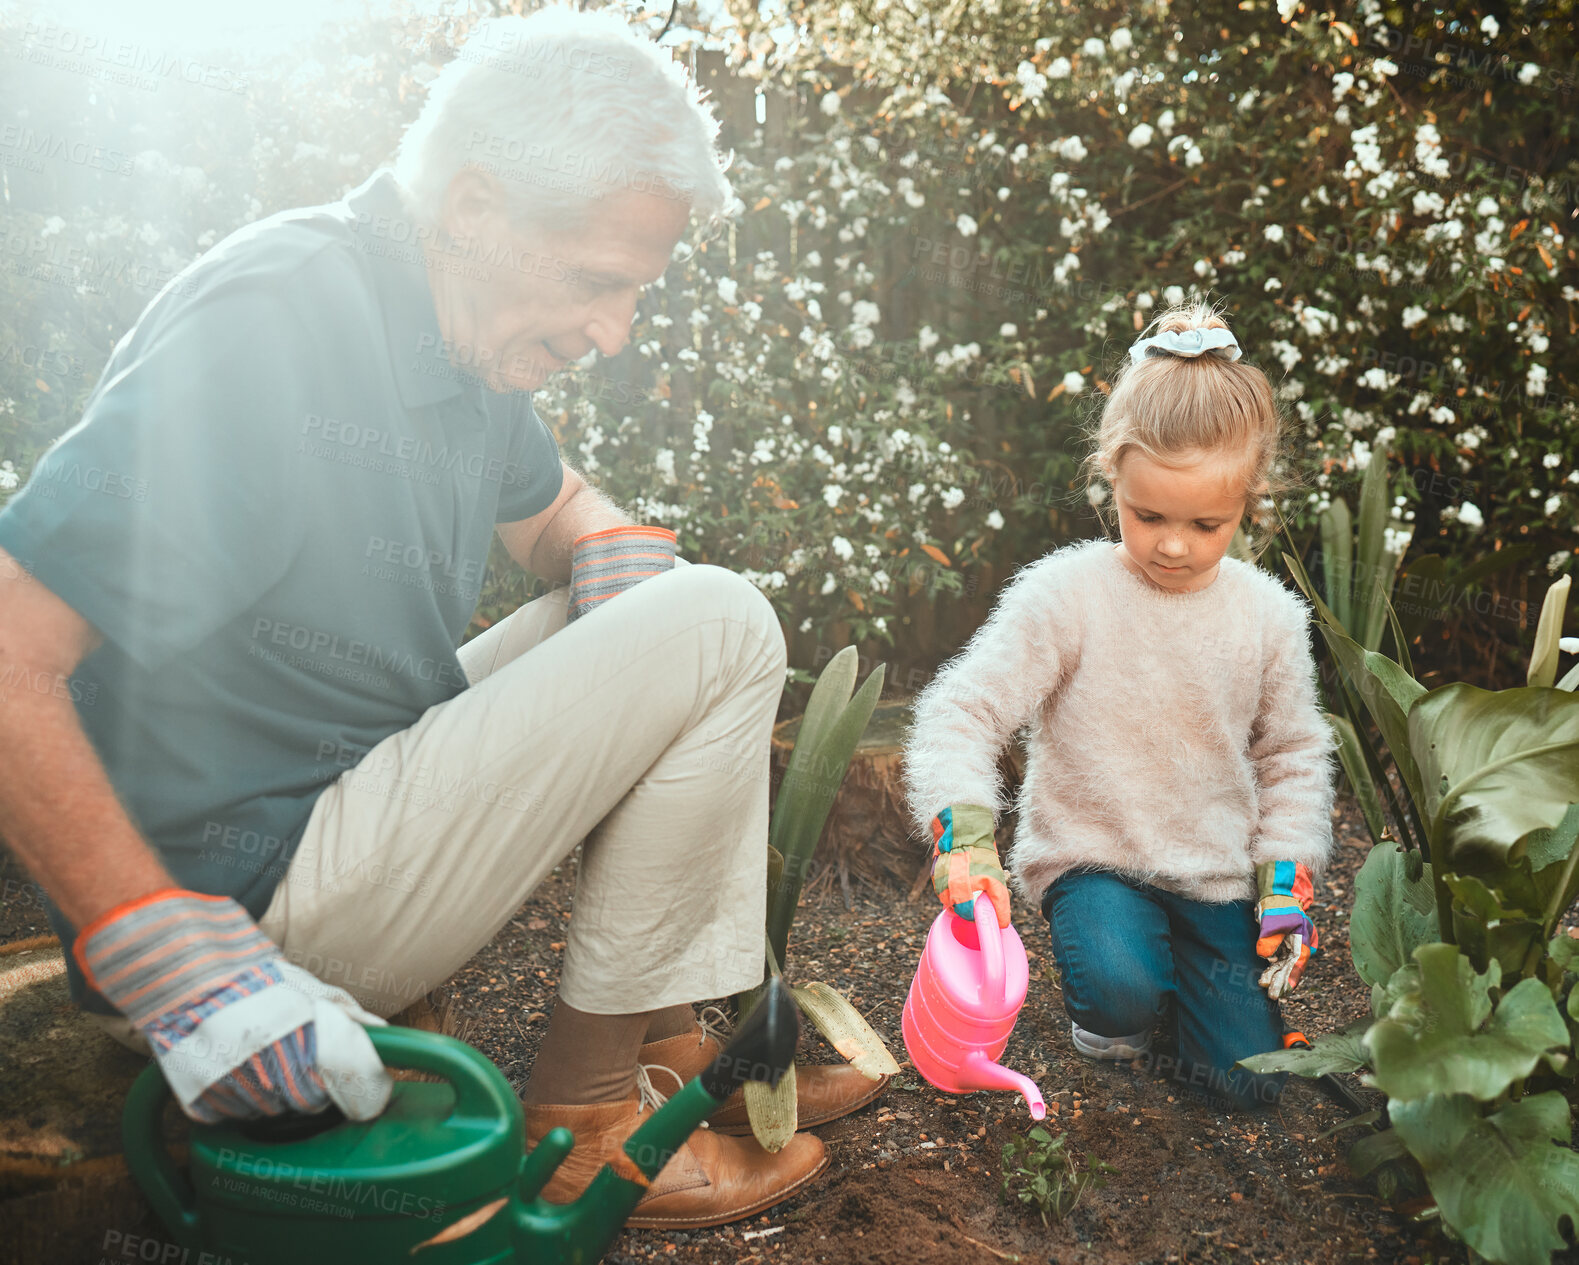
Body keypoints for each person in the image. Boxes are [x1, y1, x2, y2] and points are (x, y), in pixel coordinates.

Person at [0, 6, 883, 1228]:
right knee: (721, 623)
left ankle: (673, 1046)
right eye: (595, 282)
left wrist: (604, 544)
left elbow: (555, 509)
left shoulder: (450, 332)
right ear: (473, 208)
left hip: (343, 801)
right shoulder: (274, 327)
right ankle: (584, 1128)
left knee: (684, 612)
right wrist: (159, 946)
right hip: (236, 922)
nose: (611, 332)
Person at [901, 301, 1339, 1112]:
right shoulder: (1067, 593)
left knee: (1246, 1088)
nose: (1173, 544)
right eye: (1148, 516)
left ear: (1251, 497)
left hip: (1211, 877)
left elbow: (1292, 752)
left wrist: (1283, 871)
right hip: (1093, 859)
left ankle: (1187, 992)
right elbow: (962, 708)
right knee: (1119, 989)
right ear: (1112, 475)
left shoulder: (1269, 615)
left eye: (1206, 522)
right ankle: (1121, 1000)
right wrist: (962, 832)